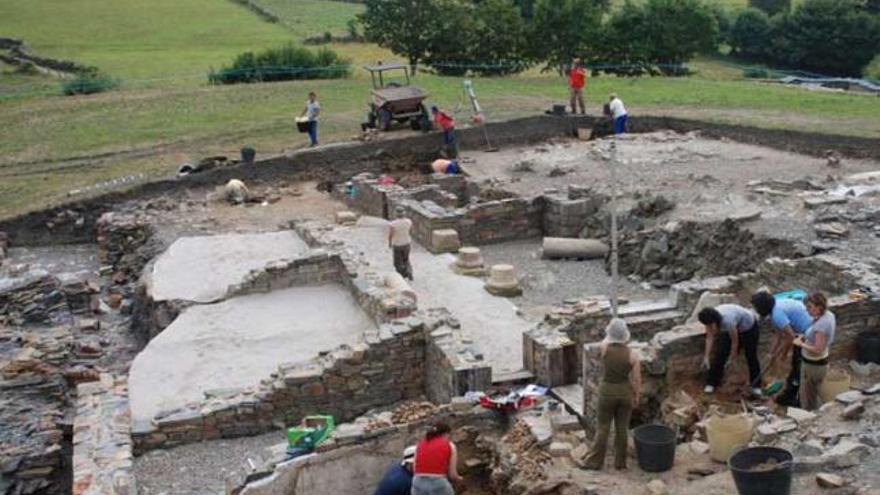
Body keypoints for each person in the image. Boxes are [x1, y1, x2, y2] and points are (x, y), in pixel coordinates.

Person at [584, 318, 641, 470]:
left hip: (607, 391)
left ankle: (595, 462)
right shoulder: (633, 354)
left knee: (603, 427)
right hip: (624, 392)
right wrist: (636, 396)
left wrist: (611, 335)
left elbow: (605, 339)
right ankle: (620, 463)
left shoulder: (604, 348)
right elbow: (636, 379)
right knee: (622, 428)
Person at [751, 290, 813, 407]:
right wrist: (771, 353)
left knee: (798, 366)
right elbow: (778, 334)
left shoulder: (777, 315)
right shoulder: (775, 310)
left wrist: (783, 354)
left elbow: (791, 337)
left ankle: (795, 398)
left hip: (808, 333)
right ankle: (792, 393)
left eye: (756, 307)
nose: (755, 310)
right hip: (801, 334)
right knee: (796, 365)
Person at [698, 304, 761, 396]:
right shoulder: (708, 318)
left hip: (749, 328)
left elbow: (735, 341)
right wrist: (706, 357)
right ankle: (712, 382)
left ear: (715, 321)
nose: (709, 326)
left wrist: (732, 357)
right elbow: (709, 337)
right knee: (720, 355)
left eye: (711, 324)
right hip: (734, 328)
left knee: (751, 356)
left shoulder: (727, 321)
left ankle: (756, 385)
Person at [793, 292, 836, 411]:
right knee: (815, 391)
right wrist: (806, 336)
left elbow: (818, 349)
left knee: (808, 396)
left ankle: (810, 418)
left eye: (809, 307)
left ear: (819, 306)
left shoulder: (821, 326)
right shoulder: (829, 315)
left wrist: (800, 344)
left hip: (813, 365)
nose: (807, 311)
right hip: (821, 362)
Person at [412, 421, 462, 495]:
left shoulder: (420, 444)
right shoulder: (450, 445)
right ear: (445, 434)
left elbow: (414, 469)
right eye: (449, 436)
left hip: (417, 483)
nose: (449, 438)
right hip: (437, 483)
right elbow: (452, 475)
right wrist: (459, 479)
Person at [388, 206, 413, 281]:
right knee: (406, 259)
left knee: (397, 262)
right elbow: (410, 231)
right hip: (407, 243)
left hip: (397, 244)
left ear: (396, 214)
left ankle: (402, 274)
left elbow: (391, 235)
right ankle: (409, 272)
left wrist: (389, 243)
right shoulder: (409, 221)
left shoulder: (393, 224)